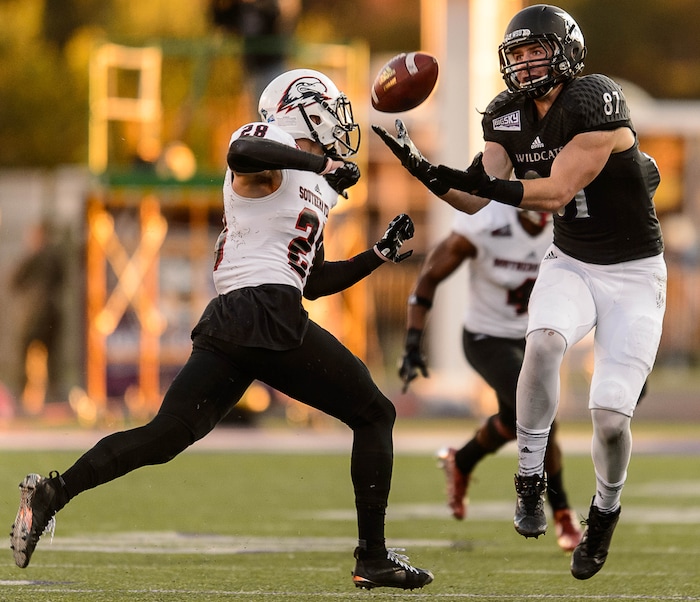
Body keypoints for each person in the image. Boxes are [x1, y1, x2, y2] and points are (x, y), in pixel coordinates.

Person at [10, 68, 433, 591]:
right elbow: (242, 153)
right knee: (375, 413)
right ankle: (372, 557)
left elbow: (314, 282)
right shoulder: (270, 150)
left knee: (164, 437)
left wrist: (378, 255)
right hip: (262, 312)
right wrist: (320, 163)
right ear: (301, 109)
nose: (340, 119)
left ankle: (54, 494)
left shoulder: (312, 183)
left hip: (241, 318)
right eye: (329, 105)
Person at [374, 4, 666, 580]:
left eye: (537, 50)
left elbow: (553, 193)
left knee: (610, 417)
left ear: (566, 53)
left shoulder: (594, 101)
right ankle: (529, 475)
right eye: (518, 53)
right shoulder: (506, 115)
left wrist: (469, 179)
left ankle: (604, 512)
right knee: (543, 342)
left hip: (633, 274)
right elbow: (478, 200)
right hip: (573, 261)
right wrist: (428, 173)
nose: (526, 63)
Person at [400, 202, 581, 552]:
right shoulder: (485, 221)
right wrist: (411, 341)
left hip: (535, 338)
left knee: (516, 419)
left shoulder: (566, 223)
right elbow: (430, 276)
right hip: (487, 337)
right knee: (541, 413)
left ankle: (462, 460)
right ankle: (561, 512)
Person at [11, 220, 65, 413]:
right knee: (43, 357)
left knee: (38, 355)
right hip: (44, 313)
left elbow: (14, 282)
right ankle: (38, 398)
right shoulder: (51, 257)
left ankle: (39, 399)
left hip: (37, 316)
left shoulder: (38, 257)